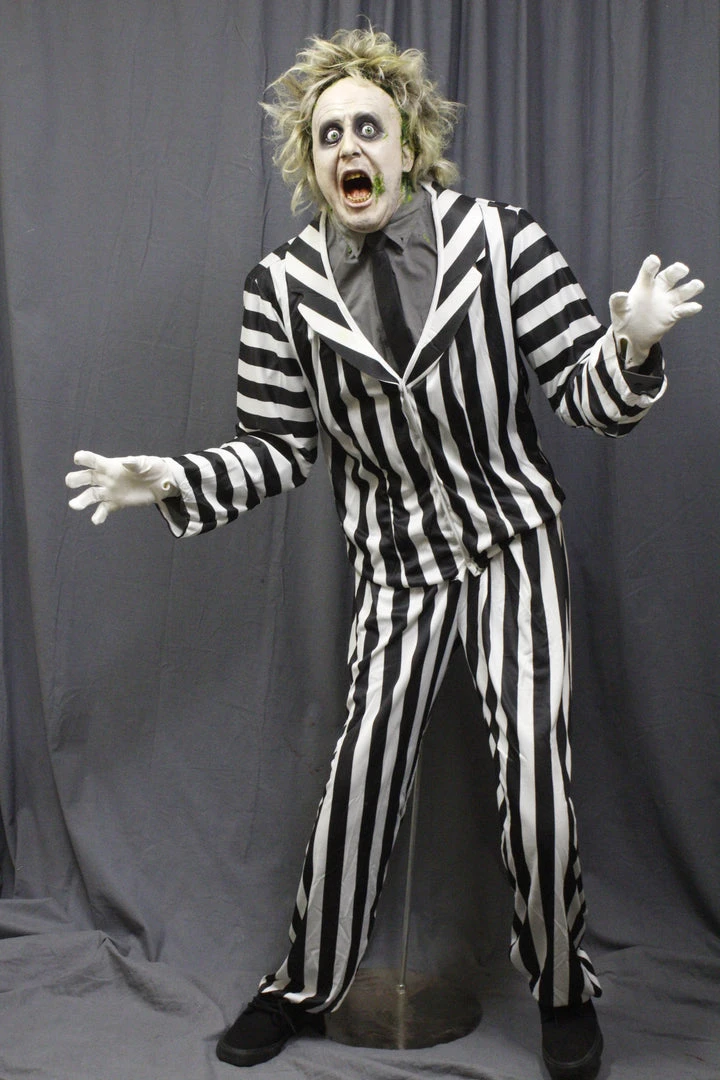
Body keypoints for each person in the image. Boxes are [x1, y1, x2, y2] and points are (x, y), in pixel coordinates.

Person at [65, 27, 703, 1080]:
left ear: (409, 145)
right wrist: (175, 477)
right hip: (399, 566)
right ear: (312, 163)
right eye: (329, 136)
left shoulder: (503, 241)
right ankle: (302, 984)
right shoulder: (280, 290)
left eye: (368, 127)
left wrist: (630, 343)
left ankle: (560, 987)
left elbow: (586, 398)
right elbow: (278, 450)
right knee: (361, 774)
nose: (349, 147)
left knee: (537, 784)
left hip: (511, 545)